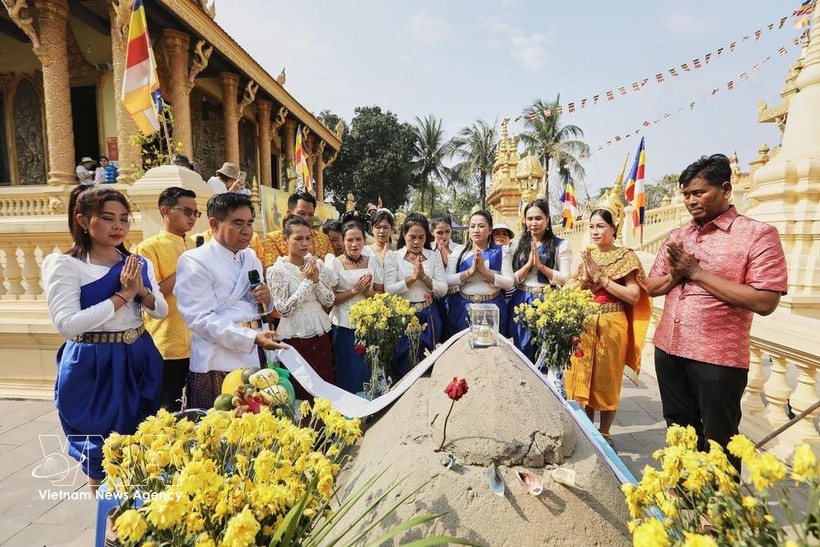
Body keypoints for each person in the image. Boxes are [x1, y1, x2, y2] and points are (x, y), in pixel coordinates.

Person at [646, 154, 787, 470]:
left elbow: (765, 301)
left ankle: (718, 511)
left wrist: (696, 272)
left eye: (699, 193)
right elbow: (651, 286)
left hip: (717, 356)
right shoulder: (678, 236)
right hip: (669, 347)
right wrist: (676, 275)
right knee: (679, 427)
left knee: (719, 438)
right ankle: (685, 494)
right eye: (686, 194)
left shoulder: (757, 235)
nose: (690, 201)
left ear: (725, 189)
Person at [42, 185, 168, 494]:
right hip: (93, 362)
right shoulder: (66, 266)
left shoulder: (136, 263)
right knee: (100, 451)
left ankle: (139, 518)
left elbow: (161, 310)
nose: (118, 227)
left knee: (141, 441)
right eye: (108, 218)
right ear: (84, 220)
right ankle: (107, 524)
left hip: (139, 356)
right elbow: (68, 325)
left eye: (124, 219)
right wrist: (123, 295)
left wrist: (140, 291)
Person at [175, 193, 286, 409]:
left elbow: (259, 307)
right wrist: (251, 337)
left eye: (249, 223)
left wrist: (267, 298)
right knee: (225, 428)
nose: (247, 231)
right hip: (217, 359)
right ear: (214, 224)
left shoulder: (250, 257)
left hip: (255, 353)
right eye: (238, 223)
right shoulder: (195, 260)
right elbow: (200, 318)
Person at [564, 189, 651, 446]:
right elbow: (570, 289)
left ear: (614, 227)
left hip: (612, 324)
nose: (594, 231)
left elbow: (633, 296)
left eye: (601, 226)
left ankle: (604, 433)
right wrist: (584, 279)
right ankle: (588, 429)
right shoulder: (586, 256)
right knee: (582, 378)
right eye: (591, 226)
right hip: (585, 323)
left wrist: (602, 279)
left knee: (606, 379)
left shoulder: (626, 257)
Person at [134, 187, 198, 411]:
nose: (192, 217)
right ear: (166, 211)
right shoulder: (149, 247)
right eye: (186, 211)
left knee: (197, 408)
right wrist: (184, 268)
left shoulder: (194, 245)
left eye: (195, 213)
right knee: (167, 409)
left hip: (199, 341)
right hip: (168, 343)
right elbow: (150, 294)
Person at [267, 215, 335, 401]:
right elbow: (284, 310)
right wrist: (307, 283)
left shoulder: (317, 264)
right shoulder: (276, 271)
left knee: (325, 383)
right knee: (300, 389)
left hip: (320, 333)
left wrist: (316, 280)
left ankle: (329, 427)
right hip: (294, 338)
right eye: (298, 238)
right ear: (285, 240)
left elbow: (329, 300)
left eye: (308, 238)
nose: (305, 243)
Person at [508, 199, 573, 361]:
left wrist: (542, 267)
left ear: (548, 219)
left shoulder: (561, 245)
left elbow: (566, 278)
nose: (534, 223)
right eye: (530, 219)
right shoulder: (516, 246)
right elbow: (511, 279)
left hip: (549, 301)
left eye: (538, 218)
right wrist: (529, 265)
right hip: (522, 299)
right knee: (523, 349)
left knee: (547, 351)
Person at [384, 213, 448, 378]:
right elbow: (389, 289)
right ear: (404, 235)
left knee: (427, 361)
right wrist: (412, 279)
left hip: (428, 315)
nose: (416, 242)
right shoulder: (394, 257)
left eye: (421, 237)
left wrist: (425, 278)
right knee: (402, 361)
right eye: (412, 237)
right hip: (402, 316)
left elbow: (442, 289)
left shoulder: (433, 256)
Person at [325, 219, 383, 394]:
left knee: (370, 367)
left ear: (364, 241)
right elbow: (331, 299)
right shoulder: (335, 263)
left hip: (370, 324)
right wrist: (354, 290)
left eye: (358, 239)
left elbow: (381, 295)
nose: (354, 244)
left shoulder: (373, 262)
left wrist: (367, 293)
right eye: (349, 240)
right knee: (348, 370)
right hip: (344, 325)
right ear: (343, 241)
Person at [446, 210, 514, 337]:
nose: (476, 230)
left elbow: (509, 283)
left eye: (481, 226)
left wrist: (484, 272)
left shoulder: (500, 252)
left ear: (490, 229)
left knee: (491, 351)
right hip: (463, 307)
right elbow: (447, 281)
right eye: (472, 226)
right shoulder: (459, 251)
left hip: (492, 306)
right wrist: (469, 273)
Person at [262, 191, 333, 269]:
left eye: (311, 214)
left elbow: (332, 270)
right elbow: (272, 272)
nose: (307, 218)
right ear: (289, 214)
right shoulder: (273, 238)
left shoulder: (323, 239)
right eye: (301, 213)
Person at [430, 214, 463, 342]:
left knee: (454, 334)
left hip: (454, 296)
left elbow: (456, 270)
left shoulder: (459, 249)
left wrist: (444, 253)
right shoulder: (427, 248)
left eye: (447, 231)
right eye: (439, 232)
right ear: (432, 232)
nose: (444, 236)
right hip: (434, 297)